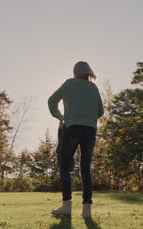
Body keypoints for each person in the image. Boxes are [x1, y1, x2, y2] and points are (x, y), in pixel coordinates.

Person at [48, 61, 104, 218]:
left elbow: (51, 101)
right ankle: (87, 211)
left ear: (75, 73)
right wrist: (89, 119)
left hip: (71, 128)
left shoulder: (69, 83)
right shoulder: (93, 87)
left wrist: (61, 117)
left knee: (65, 167)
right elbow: (101, 111)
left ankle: (66, 207)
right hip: (90, 130)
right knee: (85, 169)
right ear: (88, 73)